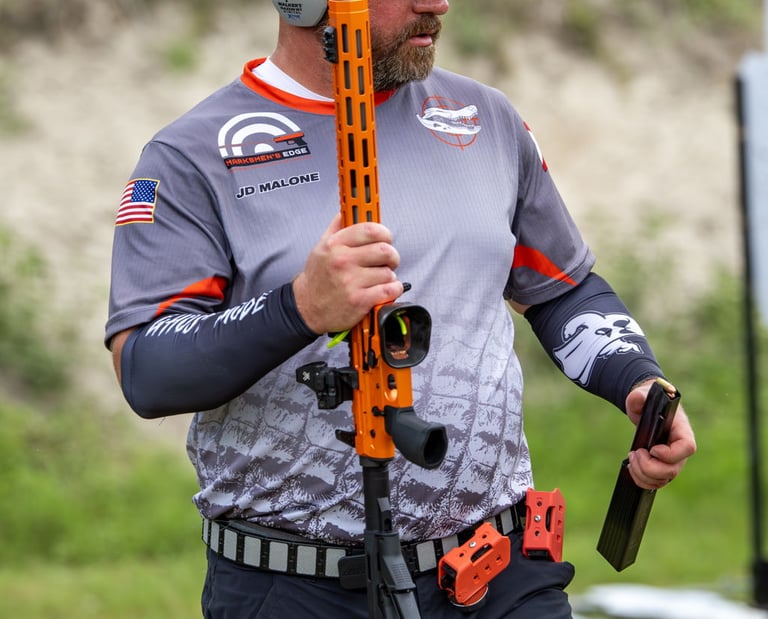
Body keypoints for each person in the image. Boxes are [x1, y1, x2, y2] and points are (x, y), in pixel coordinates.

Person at [105, 1, 697, 617]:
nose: (435, 3)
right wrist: (299, 308)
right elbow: (147, 369)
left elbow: (560, 289)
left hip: (501, 573)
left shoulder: (484, 118)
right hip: (299, 587)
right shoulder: (188, 157)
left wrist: (634, 377)